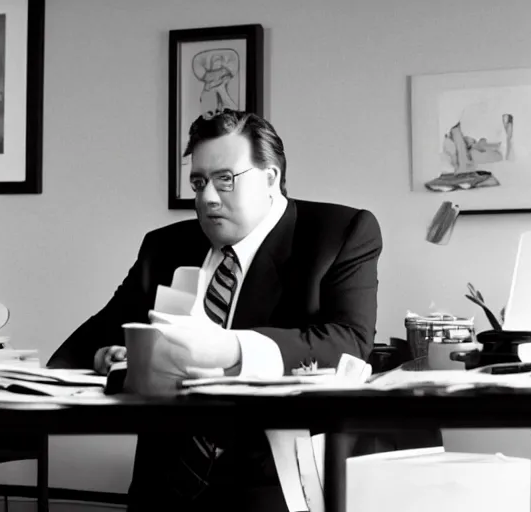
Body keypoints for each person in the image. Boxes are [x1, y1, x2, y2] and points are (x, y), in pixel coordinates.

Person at [47, 109, 383, 511]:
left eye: (225, 179)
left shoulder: (339, 234)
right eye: (199, 181)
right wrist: (110, 357)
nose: (206, 196)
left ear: (270, 178)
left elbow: (349, 342)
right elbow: (90, 342)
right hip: (162, 484)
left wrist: (229, 349)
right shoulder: (164, 247)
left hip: (274, 480)